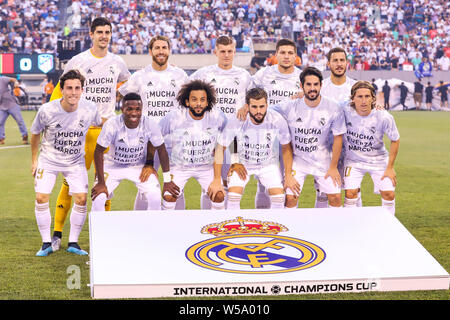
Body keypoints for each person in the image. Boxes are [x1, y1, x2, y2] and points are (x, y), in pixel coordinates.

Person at [49, 17, 131, 250]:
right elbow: (60, 91)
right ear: (91, 35)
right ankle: (56, 235)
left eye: (108, 32)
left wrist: (118, 102)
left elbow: (127, 85)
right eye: (100, 32)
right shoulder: (78, 61)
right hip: (79, 132)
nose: (104, 36)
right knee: (70, 183)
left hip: (105, 133)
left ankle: (102, 234)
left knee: (103, 183)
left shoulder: (118, 62)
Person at [30, 70, 103, 256]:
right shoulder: (47, 110)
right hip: (49, 160)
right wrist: (34, 160)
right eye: (69, 88)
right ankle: (46, 243)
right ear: (61, 90)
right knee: (41, 198)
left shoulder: (90, 108)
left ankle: (73, 243)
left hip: (74, 161)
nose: (73, 92)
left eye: (77, 88)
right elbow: (36, 133)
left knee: (81, 199)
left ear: (82, 90)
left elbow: (100, 123)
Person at [118, 35, 188, 210]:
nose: (161, 51)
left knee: (176, 187)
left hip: (173, 141)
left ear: (169, 50)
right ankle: (139, 228)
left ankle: (178, 228)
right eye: (157, 48)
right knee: (145, 187)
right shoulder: (140, 76)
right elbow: (122, 97)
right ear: (150, 51)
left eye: (164, 47)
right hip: (146, 142)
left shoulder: (180, 75)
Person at [239, 38, 302, 209]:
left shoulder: (302, 77)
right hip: (267, 135)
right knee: (264, 183)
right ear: (276, 55)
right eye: (282, 53)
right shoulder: (263, 74)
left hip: (294, 137)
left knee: (290, 185)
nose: (286, 56)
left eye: (290, 53)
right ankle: (264, 222)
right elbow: (249, 95)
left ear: (296, 56)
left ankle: (287, 223)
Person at [190, 35, 252, 208]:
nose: (226, 55)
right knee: (210, 183)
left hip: (234, 138)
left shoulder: (244, 75)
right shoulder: (204, 73)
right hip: (209, 135)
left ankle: (229, 219)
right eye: (222, 51)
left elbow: (255, 99)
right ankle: (209, 220)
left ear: (234, 52)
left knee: (232, 181)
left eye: (230, 51)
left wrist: (246, 105)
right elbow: (184, 89)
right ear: (215, 52)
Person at [272, 67, 346, 209]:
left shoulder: (333, 107)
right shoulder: (289, 105)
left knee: (336, 198)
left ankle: (335, 229)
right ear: (301, 86)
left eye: (315, 84)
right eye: (308, 85)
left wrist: (333, 167)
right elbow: (266, 110)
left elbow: (338, 138)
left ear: (321, 85)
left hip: (323, 161)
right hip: (298, 161)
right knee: (290, 198)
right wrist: (246, 107)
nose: (312, 88)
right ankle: (290, 229)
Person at [91, 93, 179, 211]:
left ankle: (150, 228)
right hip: (112, 166)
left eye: (138, 109)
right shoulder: (112, 124)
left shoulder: (150, 123)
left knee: (155, 197)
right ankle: (98, 229)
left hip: (138, 167)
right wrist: (101, 182)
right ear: (122, 109)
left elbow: (161, 150)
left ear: (142, 109)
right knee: (98, 198)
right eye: (129, 109)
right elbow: (98, 151)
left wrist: (167, 180)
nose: (134, 113)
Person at [159, 80, 227, 211]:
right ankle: (166, 228)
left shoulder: (217, 116)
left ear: (207, 102)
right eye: (194, 100)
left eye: (202, 100)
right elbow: (155, 138)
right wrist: (164, 175)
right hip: (180, 167)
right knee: (169, 196)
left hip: (206, 167)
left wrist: (234, 161)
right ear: (187, 102)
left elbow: (231, 136)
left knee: (218, 195)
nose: (198, 104)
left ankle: (214, 228)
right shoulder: (174, 117)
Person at [220, 88, 293, 210]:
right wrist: (234, 162)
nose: (258, 111)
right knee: (233, 196)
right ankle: (234, 227)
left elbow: (286, 148)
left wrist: (289, 175)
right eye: (254, 107)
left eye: (262, 106)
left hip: (268, 164)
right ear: (247, 106)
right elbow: (220, 146)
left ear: (267, 105)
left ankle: (274, 227)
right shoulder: (238, 118)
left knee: (279, 198)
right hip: (243, 164)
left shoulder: (277, 119)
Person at [342, 81, 400, 215]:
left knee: (389, 194)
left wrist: (390, 167)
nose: (363, 101)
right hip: (353, 161)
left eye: (367, 96)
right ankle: (352, 224)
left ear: (373, 98)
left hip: (378, 160)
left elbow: (395, 140)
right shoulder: (345, 110)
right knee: (350, 194)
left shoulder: (384, 116)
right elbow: (324, 103)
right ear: (352, 98)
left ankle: (388, 225)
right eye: (359, 96)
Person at [318, 47, 357, 208]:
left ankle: (353, 228)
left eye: (342, 60)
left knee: (353, 191)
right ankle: (321, 229)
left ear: (347, 63)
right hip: (326, 147)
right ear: (328, 64)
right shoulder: (321, 87)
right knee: (323, 192)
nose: (339, 64)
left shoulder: (356, 86)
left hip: (351, 147)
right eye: (335, 60)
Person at [0, 76, 28, 145]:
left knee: (19, 121)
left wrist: (16, 82)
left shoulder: (2, 79)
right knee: (0, 122)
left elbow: (13, 79)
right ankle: (1, 138)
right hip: (2, 107)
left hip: (12, 104)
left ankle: (25, 136)